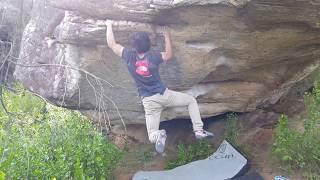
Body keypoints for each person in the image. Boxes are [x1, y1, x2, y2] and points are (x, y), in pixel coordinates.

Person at [105, 20, 213, 153]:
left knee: (151, 136)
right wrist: (166, 35)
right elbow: (168, 55)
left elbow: (111, 44)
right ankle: (198, 130)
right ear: (148, 45)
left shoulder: (129, 56)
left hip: (149, 102)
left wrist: (109, 25)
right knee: (191, 101)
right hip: (164, 95)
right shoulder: (153, 56)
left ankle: (160, 134)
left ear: (134, 46)